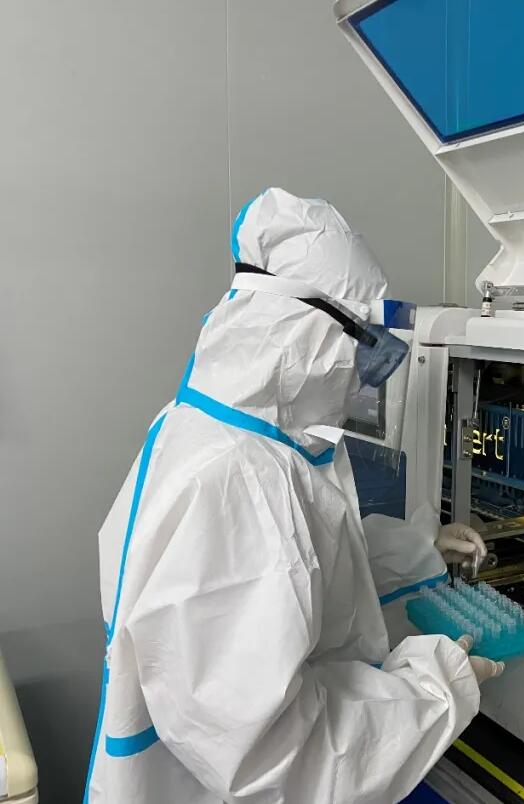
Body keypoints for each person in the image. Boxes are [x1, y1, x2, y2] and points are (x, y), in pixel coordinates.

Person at [85, 188, 501, 803]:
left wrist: (420, 547)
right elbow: (277, 761)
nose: (368, 371)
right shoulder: (235, 478)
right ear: (312, 334)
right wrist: (438, 688)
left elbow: (300, 571)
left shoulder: (220, 433)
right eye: (366, 343)